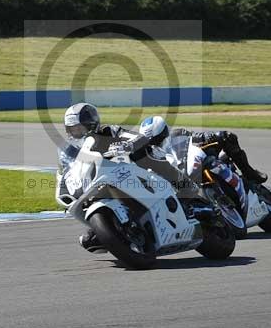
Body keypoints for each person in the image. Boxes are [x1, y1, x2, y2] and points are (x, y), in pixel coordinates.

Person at [59, 103, 199, 253]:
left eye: (80, 129)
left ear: (92, 124)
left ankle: (186, 187)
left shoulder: (109, 131)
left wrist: (127, 146)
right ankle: (121, 227)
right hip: (104, 181)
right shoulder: (74, 150)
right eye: (73, 130)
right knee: (89, 241)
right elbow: (67, 166)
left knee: (144, 156)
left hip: (131, 169)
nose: (77, 133)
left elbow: (139, 138)